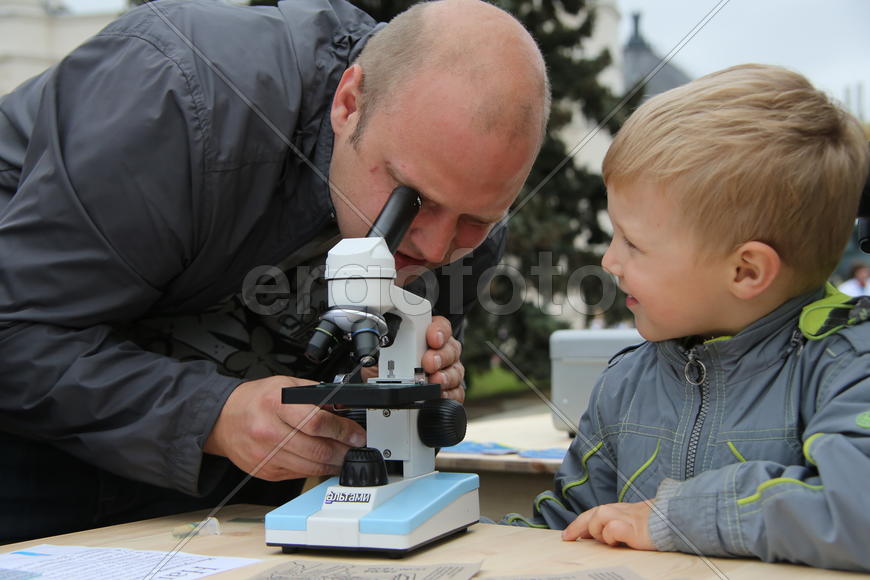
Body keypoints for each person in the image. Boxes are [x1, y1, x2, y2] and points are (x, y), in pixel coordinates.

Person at [0, 0, 550, 542]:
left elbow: (364, 416)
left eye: (475, 221)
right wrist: (212, 416)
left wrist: (410, 385)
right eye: (415, 198)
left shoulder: (466, 215)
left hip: (215, 486)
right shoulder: (177, 94)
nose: (434, 246)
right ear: (349, 104)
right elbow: (15, 332)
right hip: (27, 445)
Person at [502, 64, 870, 572]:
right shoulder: (626, 384)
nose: (609, 261)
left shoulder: (847, 370)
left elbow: (857, 511)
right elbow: (569, 526)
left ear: (745, 271)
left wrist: (678, 517)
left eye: (633, 243)